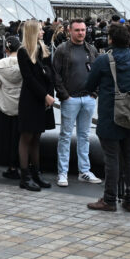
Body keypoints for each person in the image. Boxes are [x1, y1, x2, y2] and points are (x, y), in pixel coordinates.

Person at [85, 23, 130, 212]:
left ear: (111, 39)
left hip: (109, 115)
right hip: (129, 115)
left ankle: (110, 199)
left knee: (111, 158)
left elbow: (89, 85)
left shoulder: (103, 60)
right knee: (129, 156)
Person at [53, 18, 101, 187]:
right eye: (77, 30)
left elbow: (97, 72)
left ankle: (84, 171)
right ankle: (62, 173)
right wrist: (65, 96)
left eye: (83, 30)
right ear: (69, 31)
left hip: (88, 99)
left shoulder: (91, 49)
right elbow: (56, 75)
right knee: (65, 136)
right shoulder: (62, 50)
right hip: (70, 99)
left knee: (84, 136)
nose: (81, 33)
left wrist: (94, 94)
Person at [16, 20, 57, 191]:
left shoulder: (43, 49)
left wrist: (50, 94)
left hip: (43, 99)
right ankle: (25, 176)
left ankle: (36, 173)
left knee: (37, 137)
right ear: (32, 32)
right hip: (31, 100)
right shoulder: (23, 52)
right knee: (27, 137)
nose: (43, 32)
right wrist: (46, 96)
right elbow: (29, 79)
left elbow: (50, 74)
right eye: (40, 30)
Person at [0, 36, 23, 180]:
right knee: (19, 137)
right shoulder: (24, 63)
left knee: (6, 136)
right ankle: (21, 164)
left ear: (6, 49)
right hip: (20, 106)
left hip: (4, 104)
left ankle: (10, 167)